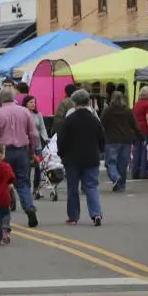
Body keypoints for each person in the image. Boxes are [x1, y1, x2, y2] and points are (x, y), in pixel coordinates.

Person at [0, 87, 39, 228]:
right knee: (23, 182)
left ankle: (5, 221)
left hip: (4, 153)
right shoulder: (24, 112)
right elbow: (33, 134)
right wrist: (32, 151)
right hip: (22, 150)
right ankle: (29, 207)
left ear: (1, 99)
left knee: (3, 185)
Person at [58, 89, 105, 226]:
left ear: (74, 103)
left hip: (72, 159)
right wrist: (100, 151)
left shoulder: (69, 120)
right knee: (91, 185)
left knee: (73, 187)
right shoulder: (94, 119)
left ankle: (73, 216)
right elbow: (102, 138)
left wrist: (62, 154)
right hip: (91, 157)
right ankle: (96, 213)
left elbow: (62, 140)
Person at [101, 92, 142, 192]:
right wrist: (141, 137)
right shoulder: (128, 111)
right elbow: (135, 125)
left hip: (111, 139)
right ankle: (121, 185)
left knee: (111, 162)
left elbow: (101, 123)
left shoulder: (108, 111)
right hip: (126, 140)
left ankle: (115, 177)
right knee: (123, 163)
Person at [22, 95, 49, 199]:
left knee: (39, 167)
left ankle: (36, 189)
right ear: (25, 104)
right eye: (30, 102)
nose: (33, 104)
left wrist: (46, 138)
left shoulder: (38, 115)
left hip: (37, 145)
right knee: (27, 168)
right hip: (26, 145)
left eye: (34, 102)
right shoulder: (23, 115)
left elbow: (42, 128)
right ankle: (27, 190)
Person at [131, 86, 148, 180]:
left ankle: (135, 172)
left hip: (135, 129)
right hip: (144, 129)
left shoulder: (137, 104)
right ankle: (143, 173)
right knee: (144, 151)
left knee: (136, 150)